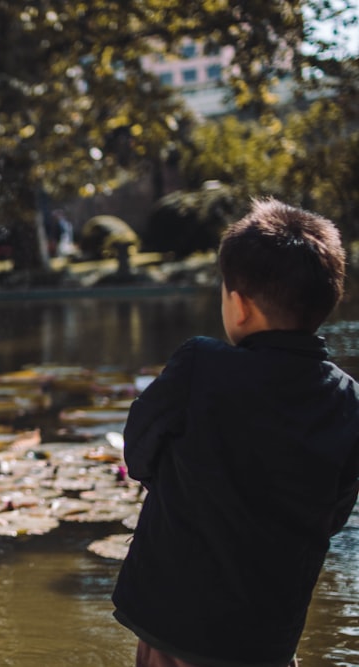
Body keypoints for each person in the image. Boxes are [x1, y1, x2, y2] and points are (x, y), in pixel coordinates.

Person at [112, 198, 359, 667]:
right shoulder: (348, 400)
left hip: (174, 624)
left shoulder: (201, 363)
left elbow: (139, 452)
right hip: (266, 636)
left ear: (239, 306)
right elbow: (334, 511)